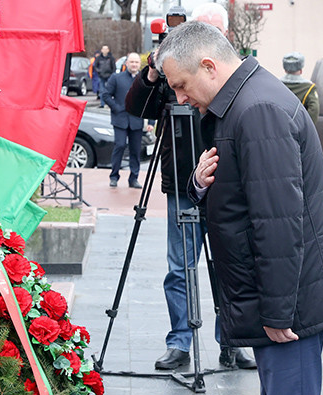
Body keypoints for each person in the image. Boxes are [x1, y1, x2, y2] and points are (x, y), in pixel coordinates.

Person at [155, 21, 323, 395]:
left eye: (183, 85)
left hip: (289, 303)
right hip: (279, 298)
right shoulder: (240, 104)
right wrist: (196, 183)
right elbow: (239, 195)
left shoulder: (259, 109)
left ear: (209, 65)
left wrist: (277, 311)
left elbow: (278, 224)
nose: (182, 99)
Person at [125, 2, 258, 371]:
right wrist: (152, 73)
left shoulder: (227, 72)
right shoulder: (172, 73)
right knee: (180, 267)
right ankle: (180, 341)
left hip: (226, 182)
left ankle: (233, 339)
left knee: (229, 264)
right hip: (181, 183)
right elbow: (136, 108)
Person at [103, 53, 144, 189]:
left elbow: (149, 100)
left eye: (136, 62)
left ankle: (134, 178)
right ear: (126, 63)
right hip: (120, 119)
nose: (134, 65)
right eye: (132, 62)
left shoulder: (143, 80)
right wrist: (116, 108)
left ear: (139, 64)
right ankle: (114, 176)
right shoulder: (116, 78)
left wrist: (150, 123)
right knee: (120, 146)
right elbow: (106, 95)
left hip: (136, 121)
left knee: (135, 150)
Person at [281, 52, 319, 125]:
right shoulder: (309, 87)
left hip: (280, 126)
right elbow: (314, 109)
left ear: (285, 70)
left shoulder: (277, 84)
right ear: (301, 70)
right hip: (299, 127)